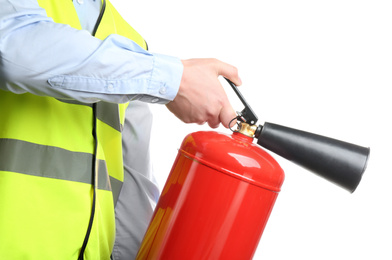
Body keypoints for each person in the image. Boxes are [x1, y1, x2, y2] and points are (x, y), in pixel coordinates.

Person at [0, 0, 242, 259]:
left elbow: (129, 185)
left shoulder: (131, 42)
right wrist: (173, 80)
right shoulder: (146, 65)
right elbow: (15, 45)